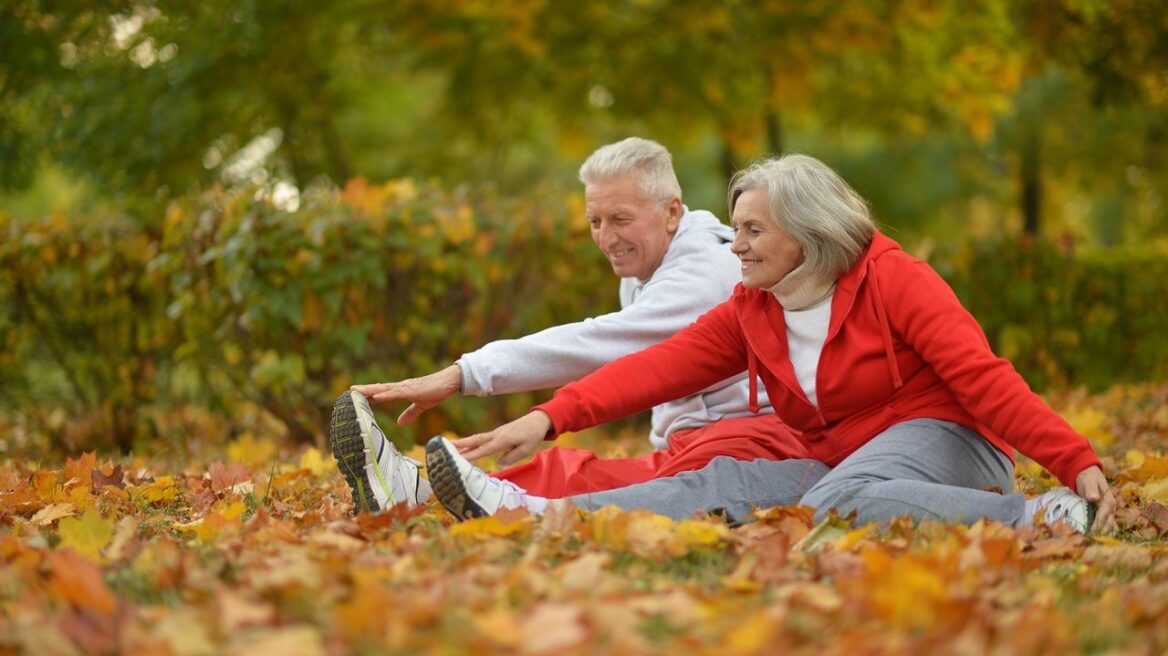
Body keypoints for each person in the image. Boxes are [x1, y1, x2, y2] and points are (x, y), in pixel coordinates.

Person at [425, 153, 1118, 534]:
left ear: (807, 233)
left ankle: (1037, 517)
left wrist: (1072, 461)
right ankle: (541, 514)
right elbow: (656, 369)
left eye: (753, 231)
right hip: (844, 460)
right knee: (728, 482)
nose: (737, 245)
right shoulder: (753, 308)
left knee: (838, 507)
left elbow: (984, 379)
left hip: (950, 441)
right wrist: (549, 417)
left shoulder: (895, 280)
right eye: (736, 227)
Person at [328, 138, 814, 513]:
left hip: (754, 442)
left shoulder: (707, 268)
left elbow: (599, 343)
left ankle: (431, 495)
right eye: (595, 220)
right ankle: (418, 490)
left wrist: (465, 375)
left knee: (626, 482)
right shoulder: (650, 264)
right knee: (572, 466)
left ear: (671, 212)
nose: (606, 238)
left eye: (620, 218)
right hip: (703, 442)